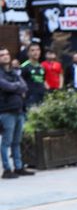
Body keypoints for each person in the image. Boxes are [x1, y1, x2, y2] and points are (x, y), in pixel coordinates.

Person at [0, 48, 29, 178]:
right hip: (6, 112)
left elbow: (25, 86)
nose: (5, 57)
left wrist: (15, 86)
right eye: (2, 55)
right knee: (6, 142)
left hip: (19, 110)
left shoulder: (14, 72)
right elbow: (6, 86)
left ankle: (19, 167)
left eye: (7, 54)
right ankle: (7, 169)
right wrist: (16, 87)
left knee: (17, 141)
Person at [18, 41, 54, 109]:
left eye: (38, 50)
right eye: (32, 50)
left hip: (42, 98)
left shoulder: (41, 67)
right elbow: (19, 82)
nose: (36, 52)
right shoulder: (24, 67)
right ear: (28, 53)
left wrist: (49, 92)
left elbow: (44, 81)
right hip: (30, 100)